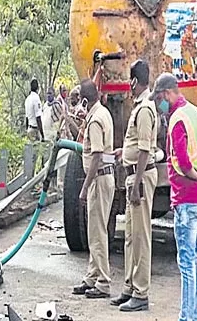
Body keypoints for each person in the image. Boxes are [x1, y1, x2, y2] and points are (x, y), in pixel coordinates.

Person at [150, 73, 197, 321]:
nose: (159, 105)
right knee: (196, 256)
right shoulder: (194, 112)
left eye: (159, 99)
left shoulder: (176, 120)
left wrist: (195, 177)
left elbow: (183, 162)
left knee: (186, 262)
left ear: (166, 93)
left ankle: (186, 317)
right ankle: (196, 314)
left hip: (186, 197)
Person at [110, 60, 158, 312]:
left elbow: (145, 150)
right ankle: (130, 286)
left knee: (140, 237)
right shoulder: (141, 107)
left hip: (139, 177)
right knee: (130, 236)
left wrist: (137, 184)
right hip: (132, 175)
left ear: (134, 81)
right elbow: (135, 147)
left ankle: (141, 293)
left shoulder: (145, 109)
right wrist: (123, 152)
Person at [72, 79, 115, 299]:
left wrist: (84, 187)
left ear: (86, 100)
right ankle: (92, 276)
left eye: (80, 100)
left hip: (98, 180)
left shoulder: (96, 120)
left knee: (97, 233)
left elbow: (97, 155)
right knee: (94, 231)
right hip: (103, 179)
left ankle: (103, 282)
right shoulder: (102, 113)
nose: (79, 105)